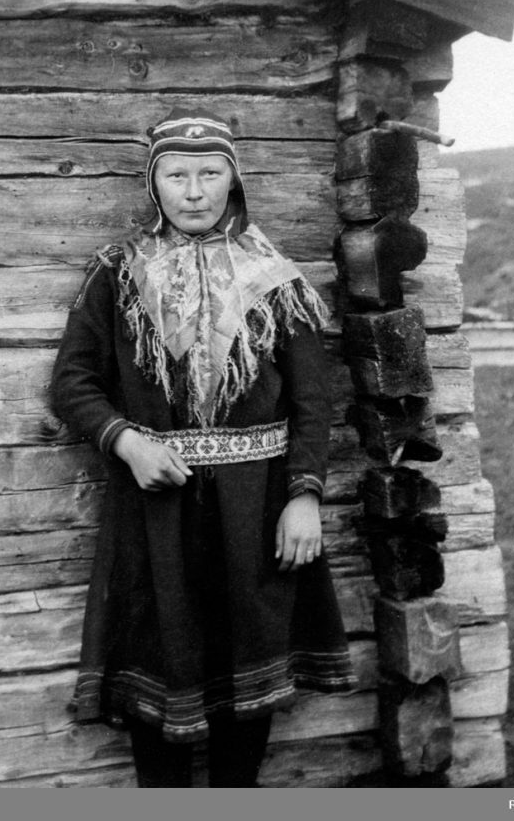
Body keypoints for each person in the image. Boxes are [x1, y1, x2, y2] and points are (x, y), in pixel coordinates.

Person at [50, 107, 356, 787]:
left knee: (245, 695)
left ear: (233, 180)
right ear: (152, 184)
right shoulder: (119, 275)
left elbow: (312, 404)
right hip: (155, 515)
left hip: (258, 514)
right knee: (161, 686)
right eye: (178, 175)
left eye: (210, 173)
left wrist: (304, 499)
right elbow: (71, 384)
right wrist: (125, 440)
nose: (194, 191)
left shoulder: (278, 283)